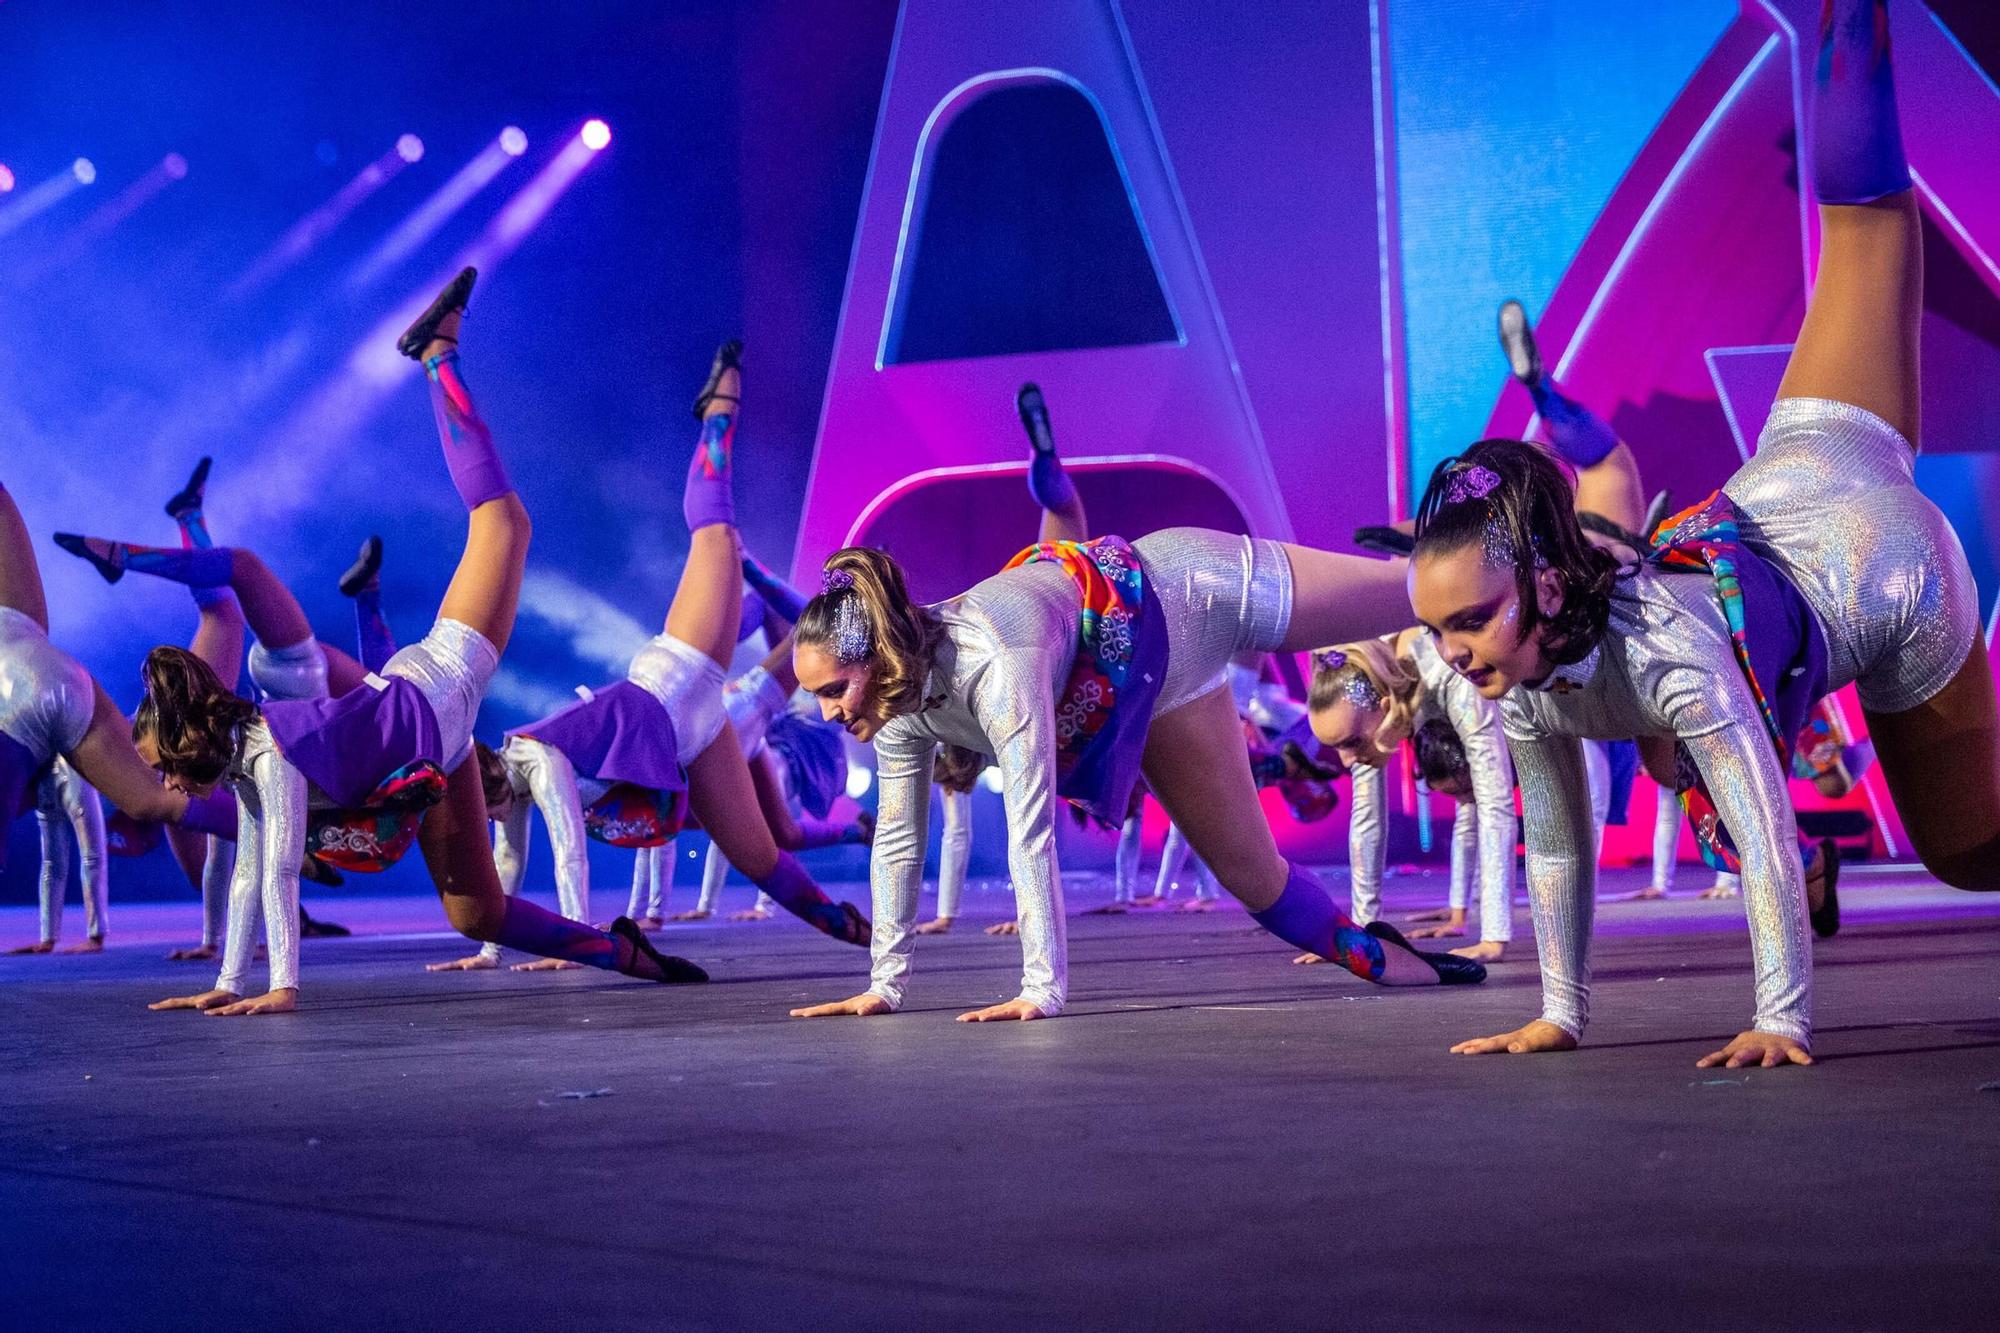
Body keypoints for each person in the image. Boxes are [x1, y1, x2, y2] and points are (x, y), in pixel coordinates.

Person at [1415, 2, 1997, 1069]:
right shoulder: (1517, 673)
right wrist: (1559, 1014)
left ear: (1546, 587)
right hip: (1804, 466)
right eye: (1436, 629)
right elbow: (1555, 844)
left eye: (1465, 622)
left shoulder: (1667, 657)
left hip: (1889, 568)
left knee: (1969, 852)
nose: (1449, 654)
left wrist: (1779, 1020)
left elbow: (1768, 836)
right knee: (1864, 224)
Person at [790, 397, 1480, 1023]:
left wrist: (1041, 988)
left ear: (876, 654)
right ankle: (1401, 964)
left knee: (1418, 592)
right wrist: (884, 985)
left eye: (833, 689)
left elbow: (1034, 832)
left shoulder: (994, 660)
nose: (826, 713)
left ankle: (1542, 545)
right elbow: (899, 843)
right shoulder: (896, 699)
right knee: (1258, 884)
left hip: (1194, 587)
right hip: (1157, 689)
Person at [142, 268, 703, 1014]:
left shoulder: (268, 754)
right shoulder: (246, 763)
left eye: (160, 768)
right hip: (436, 738)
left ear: (186, 743)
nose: (165, 786)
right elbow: (248, 873)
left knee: (504, 522)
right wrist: (223, 985)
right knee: (479, 914)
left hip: (439, 683)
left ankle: (439, 353)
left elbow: (278, 871)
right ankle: (620, 950)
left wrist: (281, 988)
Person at [1306, 633, 1517, 963]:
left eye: (1351, 743)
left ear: (1385, 708)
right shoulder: (1364, 692)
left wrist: (1493, 937)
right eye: (1337, 748)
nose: (1346, 762)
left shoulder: (1448, 675)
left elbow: (1494, 800)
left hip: (1535, 693)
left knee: (1477, 795)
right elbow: (1367, 818)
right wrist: (1362, 932)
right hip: (1420, 701)